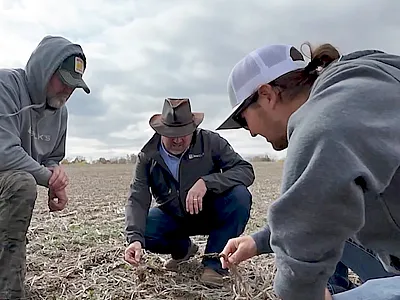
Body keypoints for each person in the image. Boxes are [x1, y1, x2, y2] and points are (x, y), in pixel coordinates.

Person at [216, 43, 400, 299]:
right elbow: (317, 213)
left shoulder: (325, 123)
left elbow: (298, 278)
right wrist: (258, 242)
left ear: (267, 94)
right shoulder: (362, 85)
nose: (251, 131)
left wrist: (302, 292)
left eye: (242, 119)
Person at [124, 98, 254, 287]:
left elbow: (245, 170)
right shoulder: (148, 156)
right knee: (145, 228)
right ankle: (183, 251)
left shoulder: (211, 142)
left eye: (183, 133)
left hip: (210, 212)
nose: (177, 139)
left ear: (193, 128)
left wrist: (207, 182)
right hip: (174, 217)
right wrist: (135, 239)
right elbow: (137, 197)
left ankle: (214, 264)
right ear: (161, 130)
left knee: (240, 196)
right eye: (171, 134)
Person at [0, 35, 90, 299]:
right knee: (22, 184)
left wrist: (55, 172)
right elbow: (4, 153)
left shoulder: (60, 111)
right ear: (44, 70)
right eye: (63, 81)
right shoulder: (5, 86)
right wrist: (50, 179)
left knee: (22, 183)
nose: (68, 91)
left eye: (74, 86)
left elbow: (52, 156)